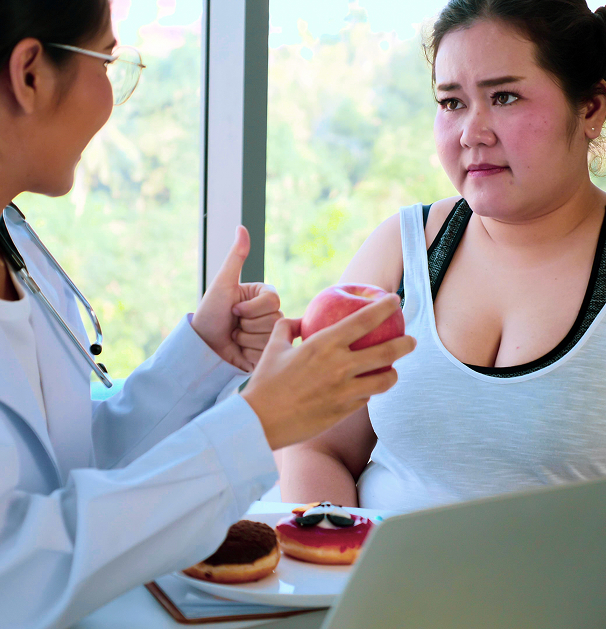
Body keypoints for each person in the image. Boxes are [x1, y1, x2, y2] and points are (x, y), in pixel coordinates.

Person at [0, 1, 417, 628]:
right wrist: (259, 423)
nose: (114, 97)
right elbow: (16, 570)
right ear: (30, 73)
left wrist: (201, 356)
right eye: (107, 63)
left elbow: (70, 465)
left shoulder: (18, 248)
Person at [281, 0, 606, 513]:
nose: (471, 133)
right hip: (371, 564)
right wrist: (339, 552)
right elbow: (316, 446)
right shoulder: (402, 249)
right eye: (452, 103)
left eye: (504, 97)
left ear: (590, 108)